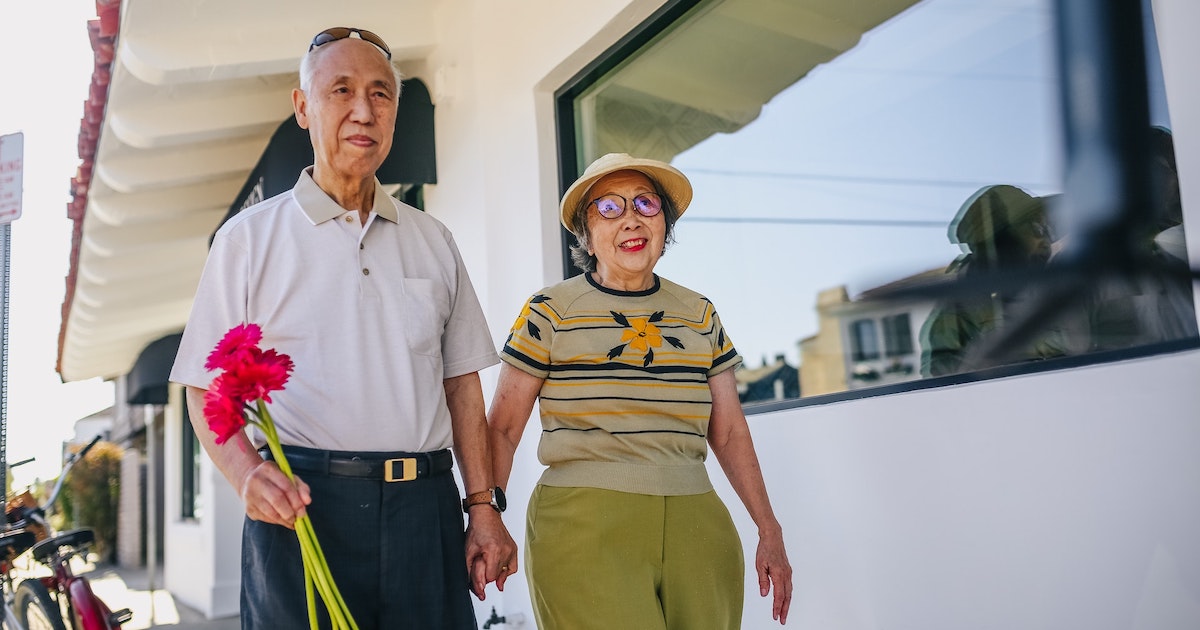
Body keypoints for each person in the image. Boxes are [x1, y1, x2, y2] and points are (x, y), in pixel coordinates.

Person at [169, 27, 516, 629]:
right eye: (342, 90)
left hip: (424, 511)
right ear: (303, 108)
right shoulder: (247, 240)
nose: (364, 110)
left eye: (381, 94)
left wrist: (483, 509)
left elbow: (462, 386)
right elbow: (205, 388)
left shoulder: (433, 240)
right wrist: (246, 472)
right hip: (303, 514)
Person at [487, 153, 793, 628]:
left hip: (698, 522)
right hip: (582, 523)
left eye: (646, 204)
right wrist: (486, 516)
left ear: (664, 226)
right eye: (608, 208)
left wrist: (767, 527)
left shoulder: (699, 313)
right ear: (586, 235)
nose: (630, 218)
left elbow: (729, 432)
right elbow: (504, 428)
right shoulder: (549, 311)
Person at [919, 184, 1067, 376]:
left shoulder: (1061, 293)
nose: (1046, 241)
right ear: (1003, 240)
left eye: (1048, 231)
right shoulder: (956, 316)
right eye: (1037, 229)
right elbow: (948, 391)